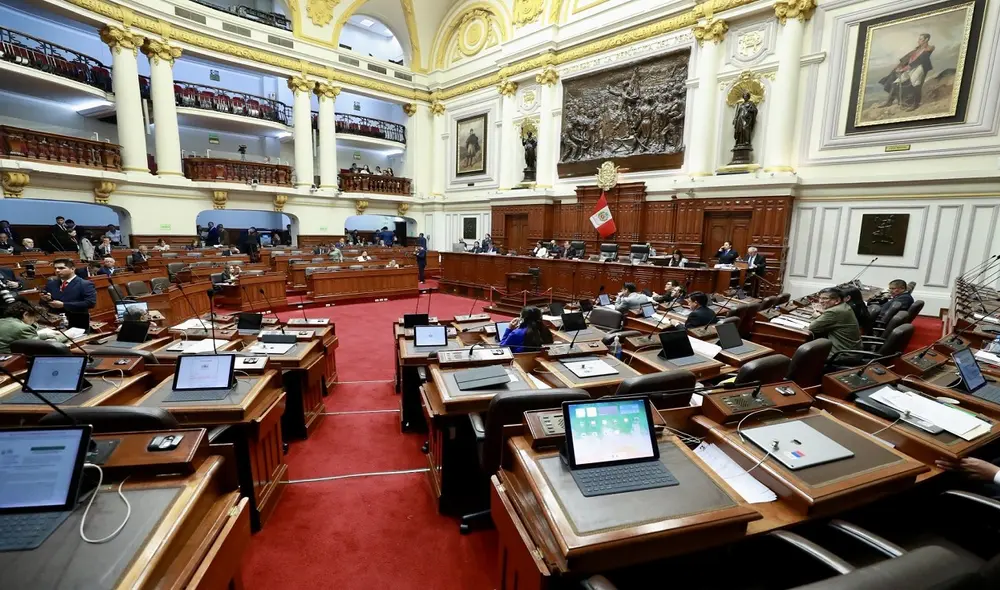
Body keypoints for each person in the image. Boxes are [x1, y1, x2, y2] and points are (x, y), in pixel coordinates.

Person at [41, 258, 97, 331]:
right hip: (55, 323)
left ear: (72, 269)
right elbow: (43, 304)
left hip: (78, 322)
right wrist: (47, 300)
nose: (57, 270)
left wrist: (64, 305)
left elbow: (90, 303)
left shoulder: (85, 284)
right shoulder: (51, 284)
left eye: (61, 268)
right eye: (55, 268)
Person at [808, 287, 862, 358]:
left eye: (825, 298)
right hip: (852, 349)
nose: (820, 301)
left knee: (805, 354)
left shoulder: (833, 311)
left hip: (841, 353)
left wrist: (816, 316)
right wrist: (824, 314)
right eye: (820, 298)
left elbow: (812, 327)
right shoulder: (844, 306)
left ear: (837, 300)